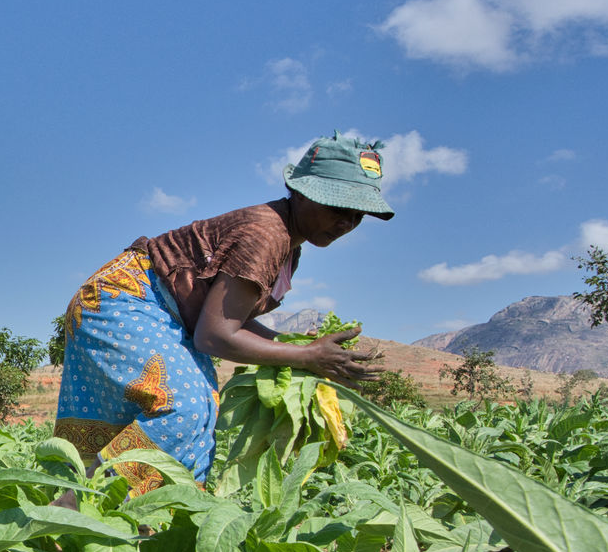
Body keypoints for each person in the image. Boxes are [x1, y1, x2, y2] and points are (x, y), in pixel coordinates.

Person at [53, 133, 387, 493]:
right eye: (338, 208)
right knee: (186, 407)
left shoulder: (291, 250)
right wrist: (307, 356)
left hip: (158, 310)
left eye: (358, 215)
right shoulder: (266, 234)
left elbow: (230, 318)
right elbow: (214, 335)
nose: (347, 223)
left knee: (189, 420)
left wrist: (288, 343)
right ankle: (78, 506)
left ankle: (138, 526)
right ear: (302, 192)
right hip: (128, 298)